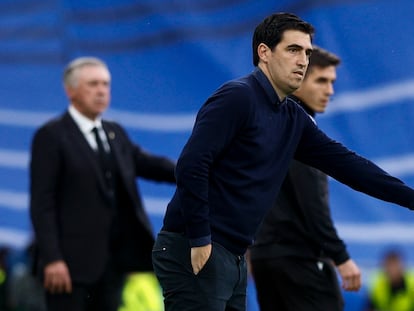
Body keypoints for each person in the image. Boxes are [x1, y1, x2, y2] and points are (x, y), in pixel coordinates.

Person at [151, 12, 414, 311]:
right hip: (195, 245)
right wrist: (199, 239)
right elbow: (191, 164)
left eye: (307, 52)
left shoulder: (293, 118)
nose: (303, 60)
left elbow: (350, 166)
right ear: (264, 52)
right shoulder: (237, 97)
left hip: (234, 256)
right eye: (293, 50)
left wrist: (410, 198)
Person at [29, 56, 176, 311]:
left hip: (113, 265)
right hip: (69, 268)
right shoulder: (51, 136)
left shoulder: (114, 132)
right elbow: (42, 204)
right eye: (93, 84)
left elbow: (148, 164)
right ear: (71, 90)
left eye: (105, 84)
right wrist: (52, 259)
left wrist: (195, 171)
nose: (101, 91)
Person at [248, 46, 360, 311]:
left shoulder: (265, 126)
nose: (330, 91)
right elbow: (312, 204)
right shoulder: (301, 130)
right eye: (321, 80)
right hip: (299, 261)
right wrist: (341, 257)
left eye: (332, 82)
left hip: (266, 260)